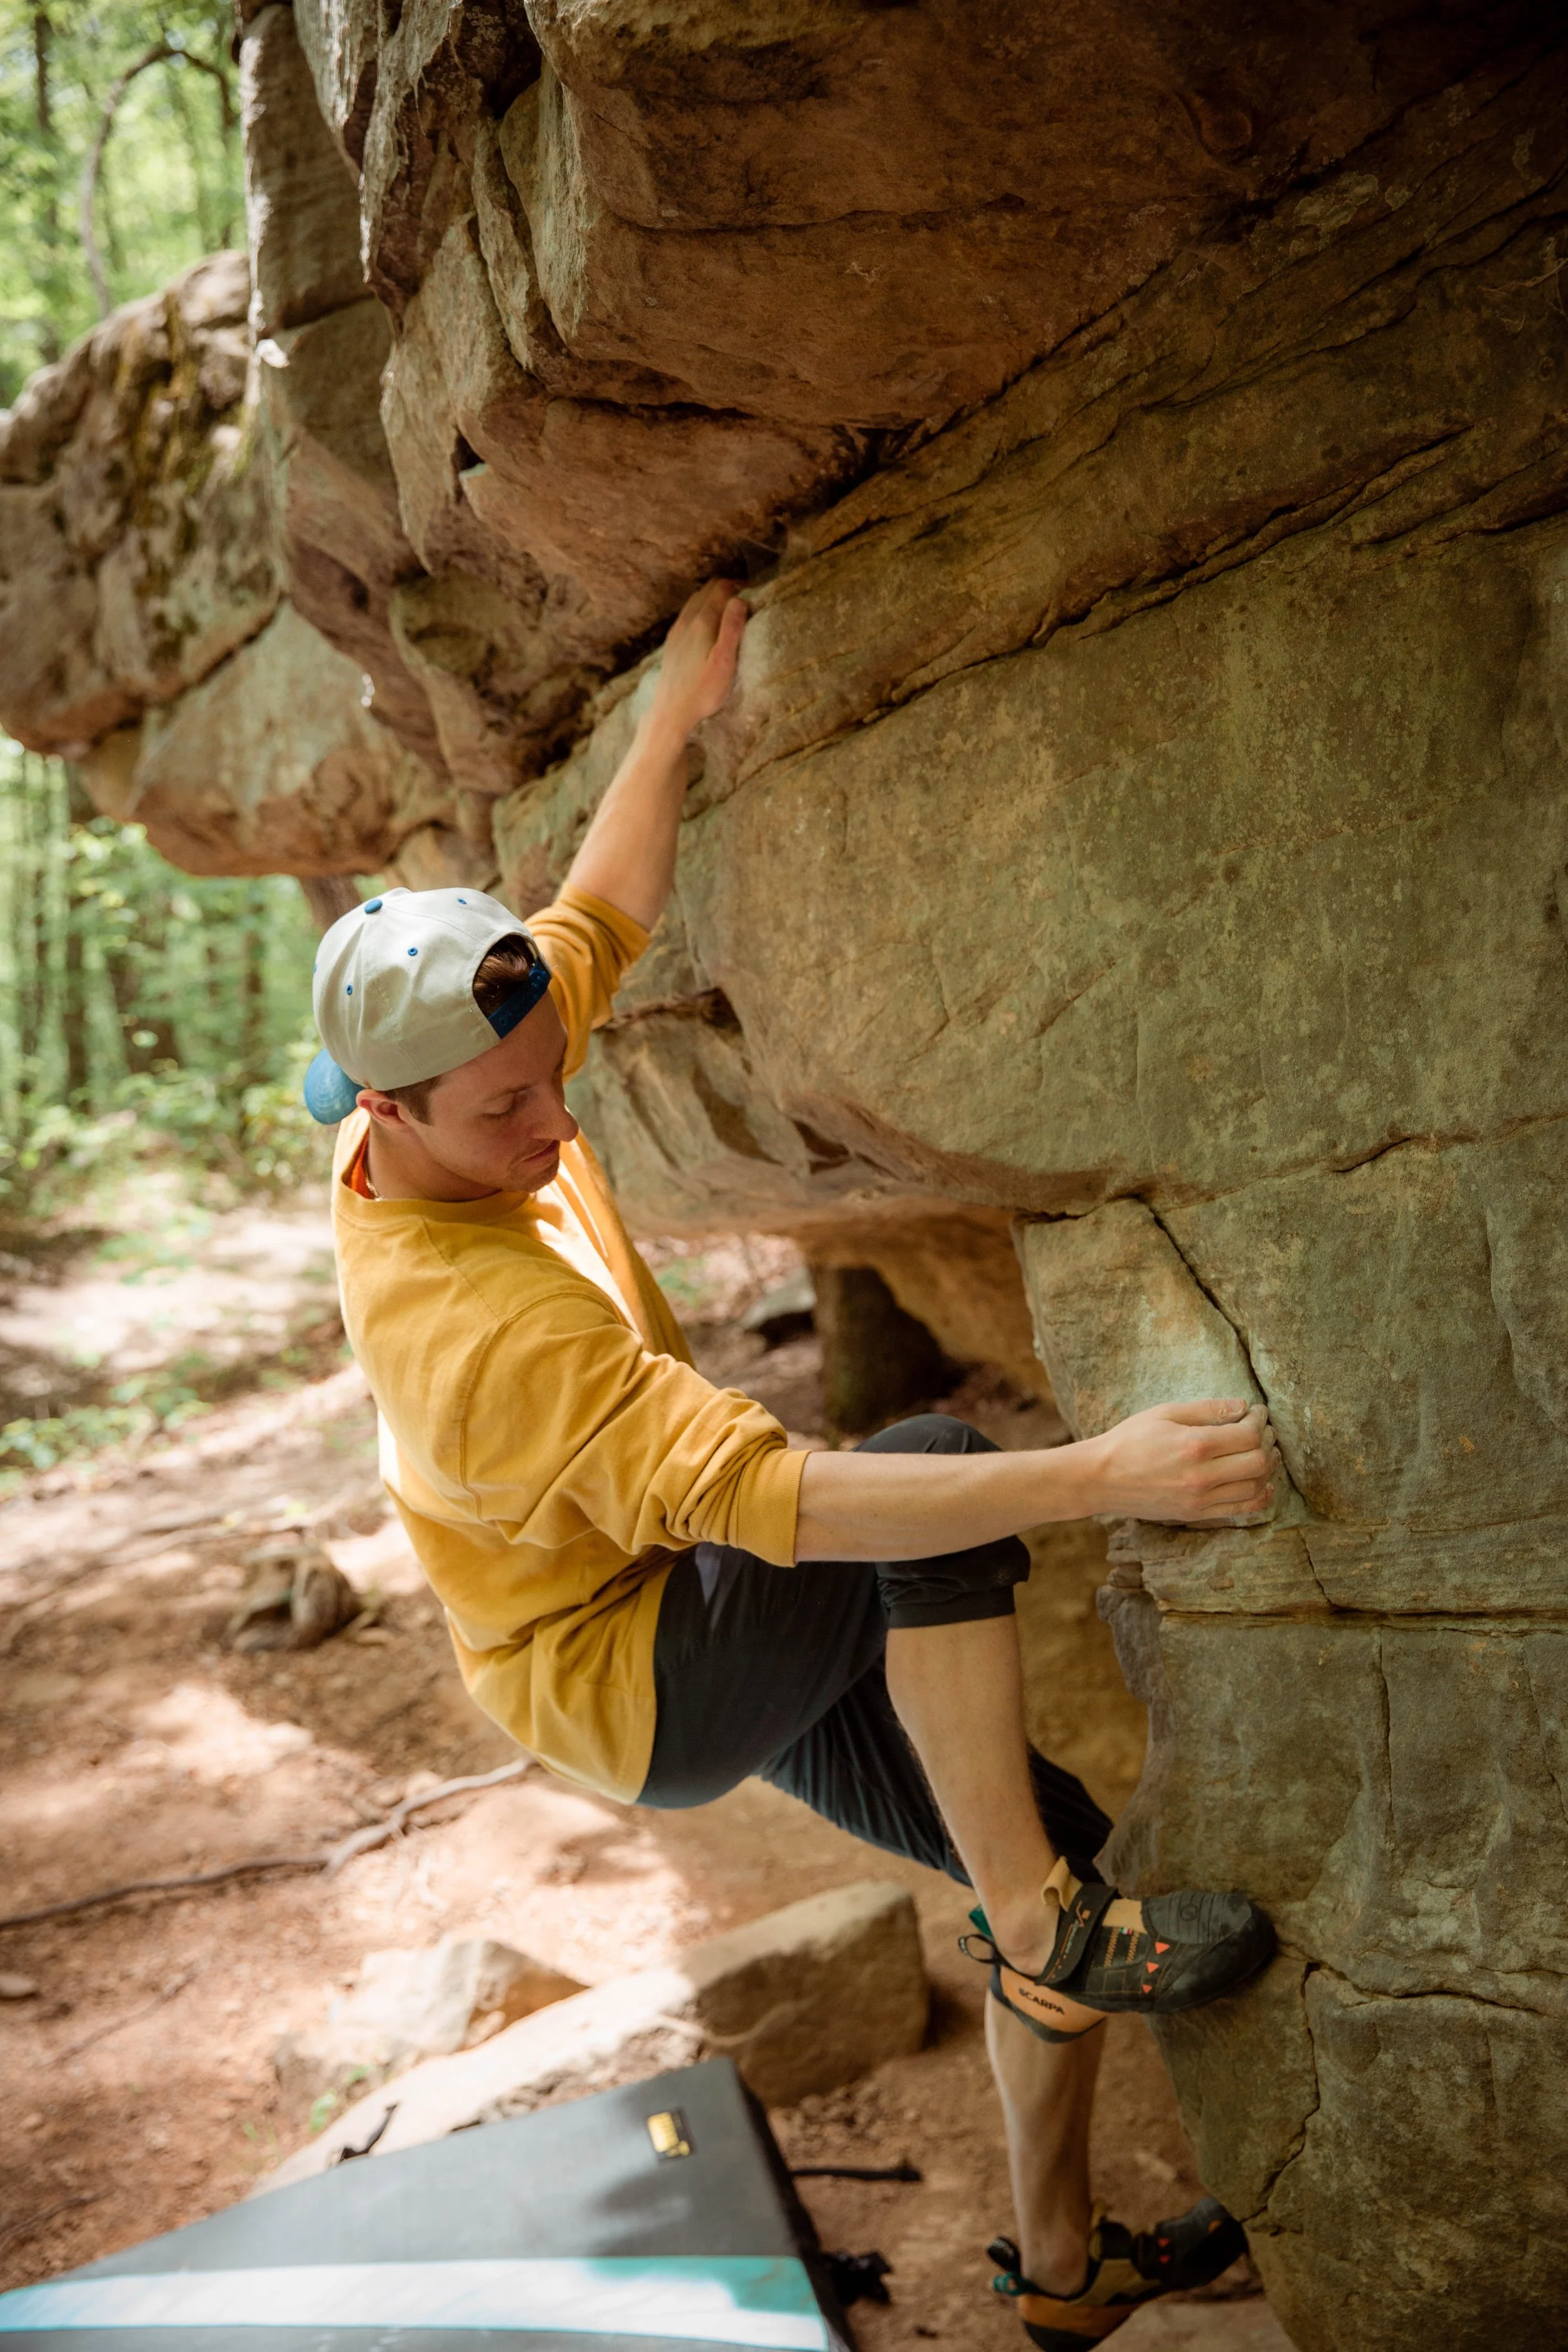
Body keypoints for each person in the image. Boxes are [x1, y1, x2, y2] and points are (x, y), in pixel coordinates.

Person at [305, 580, 1280, 2350]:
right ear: (384, 1112)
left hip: (672, 1589)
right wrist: (1100, 1470)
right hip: (638, 1674)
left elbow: (596, 907)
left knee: (1043, 1831)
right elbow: (808, 1505)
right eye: (509, 1111)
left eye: (550, 1077)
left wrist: (674, 717)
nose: (556, 1119)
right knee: (914, 1460)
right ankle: (1046, 1921)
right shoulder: (474, 1333)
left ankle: (1061, 2275)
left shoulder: (466, 1059)